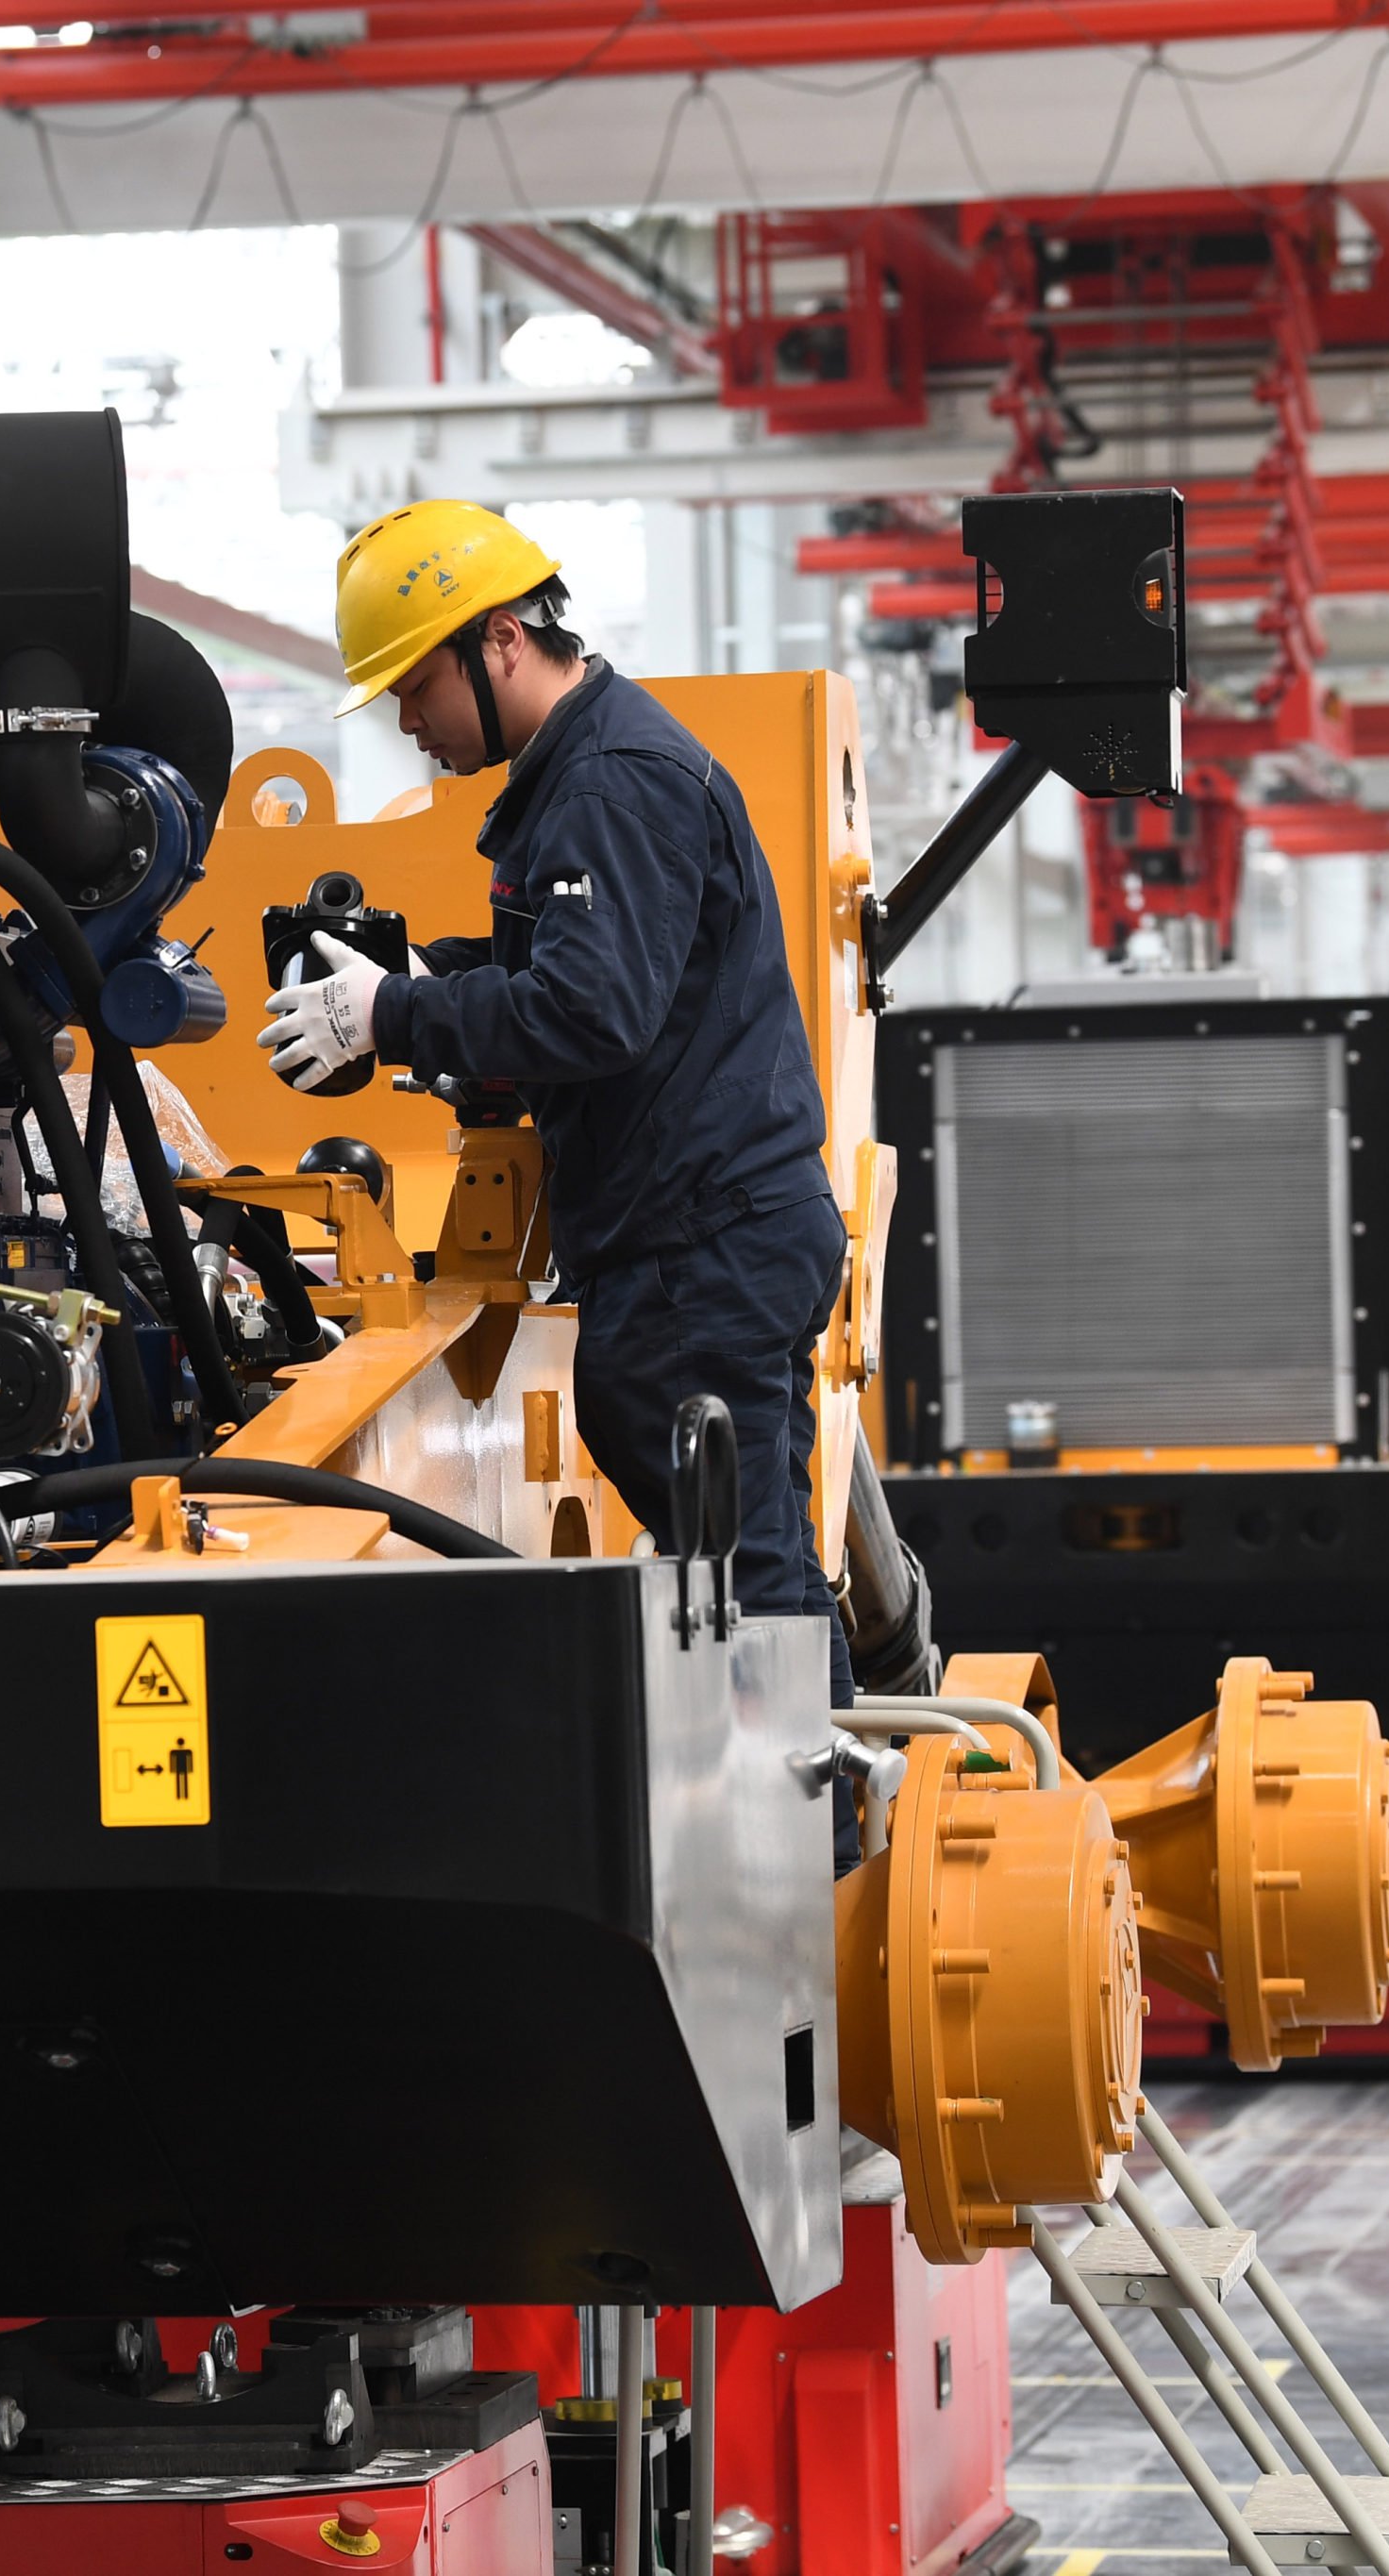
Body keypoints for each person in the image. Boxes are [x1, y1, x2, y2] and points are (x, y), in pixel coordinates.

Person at [261, 501, 857, 1698]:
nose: (407, 718)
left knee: (743, 1574)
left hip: (705, 1244)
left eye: (413, 684)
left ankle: (823, 1837)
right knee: (739, 1559)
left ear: (498, 642)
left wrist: (392, 1015)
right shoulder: (584, 773)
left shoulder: (612, 783)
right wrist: (431, 977)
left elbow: (593, 1012)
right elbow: (582, 974)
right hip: (701, 1236)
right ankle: (825, 1808)